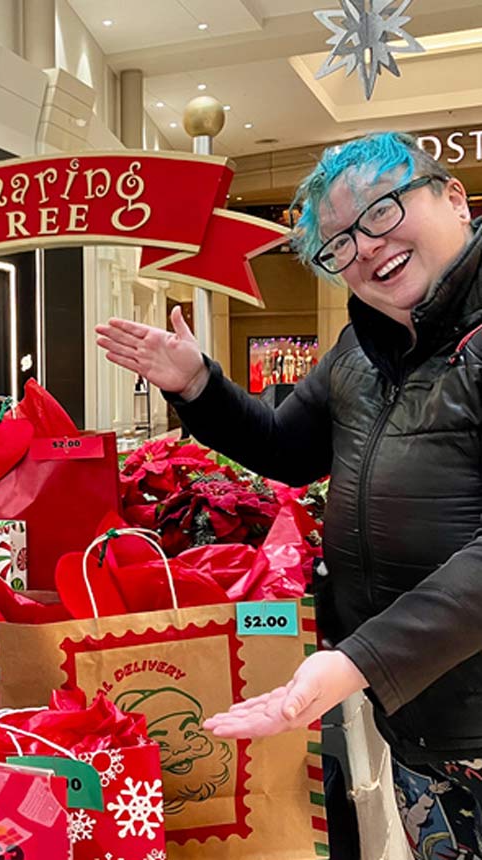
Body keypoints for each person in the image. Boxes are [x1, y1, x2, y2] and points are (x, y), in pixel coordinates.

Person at [96, 131, 482, 853]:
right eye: (338, 246)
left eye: (381, 212)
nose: (364, 249)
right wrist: (198, 385)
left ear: (453, 197)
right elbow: (286, 449)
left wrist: (360, 659)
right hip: (420, 717)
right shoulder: (361, 350)